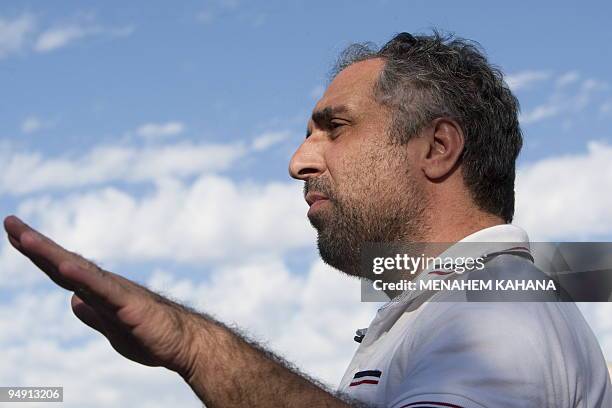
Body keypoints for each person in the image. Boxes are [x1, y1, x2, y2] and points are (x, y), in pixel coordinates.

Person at [4, 32, 611, 407]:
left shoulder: (496, 310)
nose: (299, 162)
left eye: (334, 127)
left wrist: (193, 346)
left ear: (436, 149)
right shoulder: (455, 305)